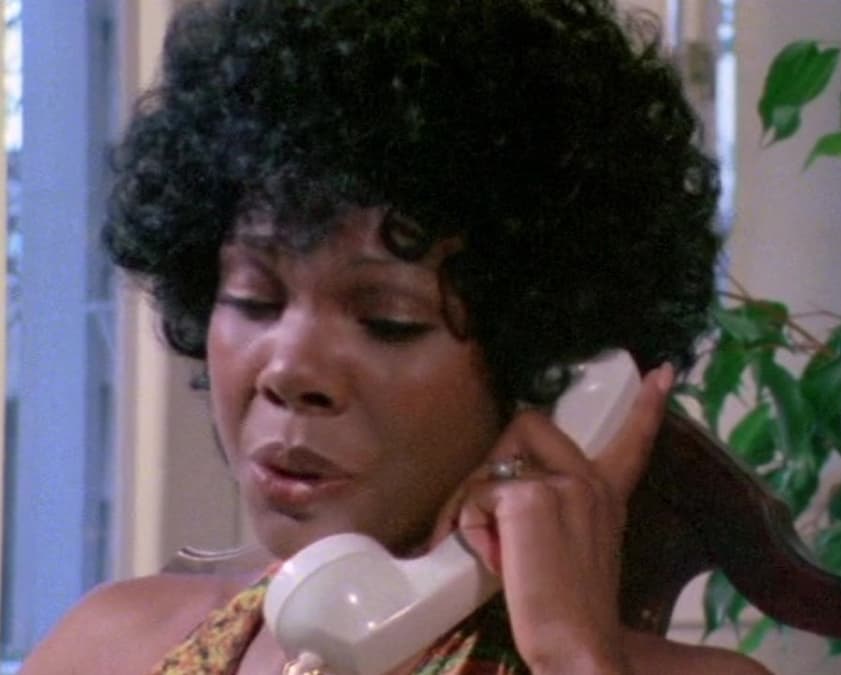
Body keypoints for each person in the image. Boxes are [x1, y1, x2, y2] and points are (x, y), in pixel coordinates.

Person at [23, 0, 769, 673]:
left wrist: (573, 657)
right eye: (254, 300)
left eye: (388, 320)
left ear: (550, 366)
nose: (289, 370)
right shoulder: (108, 646)